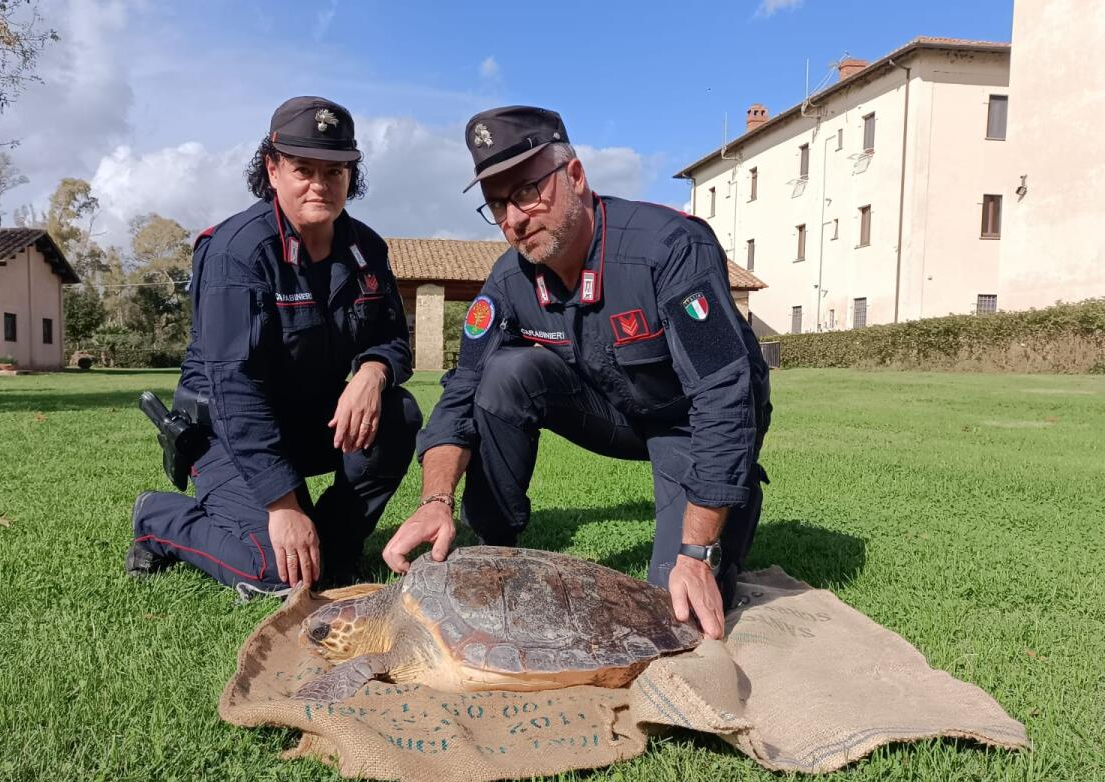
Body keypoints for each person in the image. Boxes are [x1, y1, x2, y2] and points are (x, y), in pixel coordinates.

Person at [382, 106, 771, 639]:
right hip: (613, 409)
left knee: (671, 613)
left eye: (527, 192)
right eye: (497, 204)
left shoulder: (668, 247)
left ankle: (733, 497)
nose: (515, 219)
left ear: (576, 175)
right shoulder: (509, 279)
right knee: (503, 374)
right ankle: (489, 551)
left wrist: (698, 552)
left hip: (688, 422)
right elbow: (461, 391)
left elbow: (725, 393)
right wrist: (434, 501)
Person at [128, 96, 421, 595]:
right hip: (224, 432)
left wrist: (373, 371)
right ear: (272, 169)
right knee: (271, 572)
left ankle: (335, 544)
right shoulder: (236, 251)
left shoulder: (367, 249)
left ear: (351, 174)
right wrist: (281, 504)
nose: (320, 184)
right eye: (303, 169)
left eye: (335, 171)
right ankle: (157, 518)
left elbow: (393, 340)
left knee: (399, 413)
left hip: (307, 421)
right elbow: (233, 387)